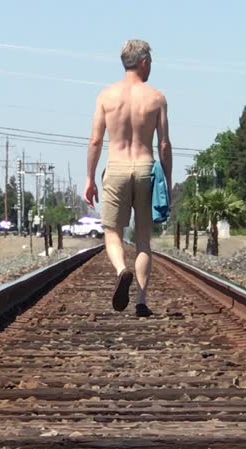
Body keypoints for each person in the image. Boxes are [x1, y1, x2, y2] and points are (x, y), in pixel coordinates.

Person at [83, 39, 172, 317]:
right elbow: (164, 145)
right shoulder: (156, 98)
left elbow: (96, 140)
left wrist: (90, 178)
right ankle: (142, 301)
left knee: (112, 233)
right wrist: (167, 181)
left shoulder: (106, 96)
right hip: (146, 168)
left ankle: (122, 270)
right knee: (144, 240)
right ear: (144, 63)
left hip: (117, 168)